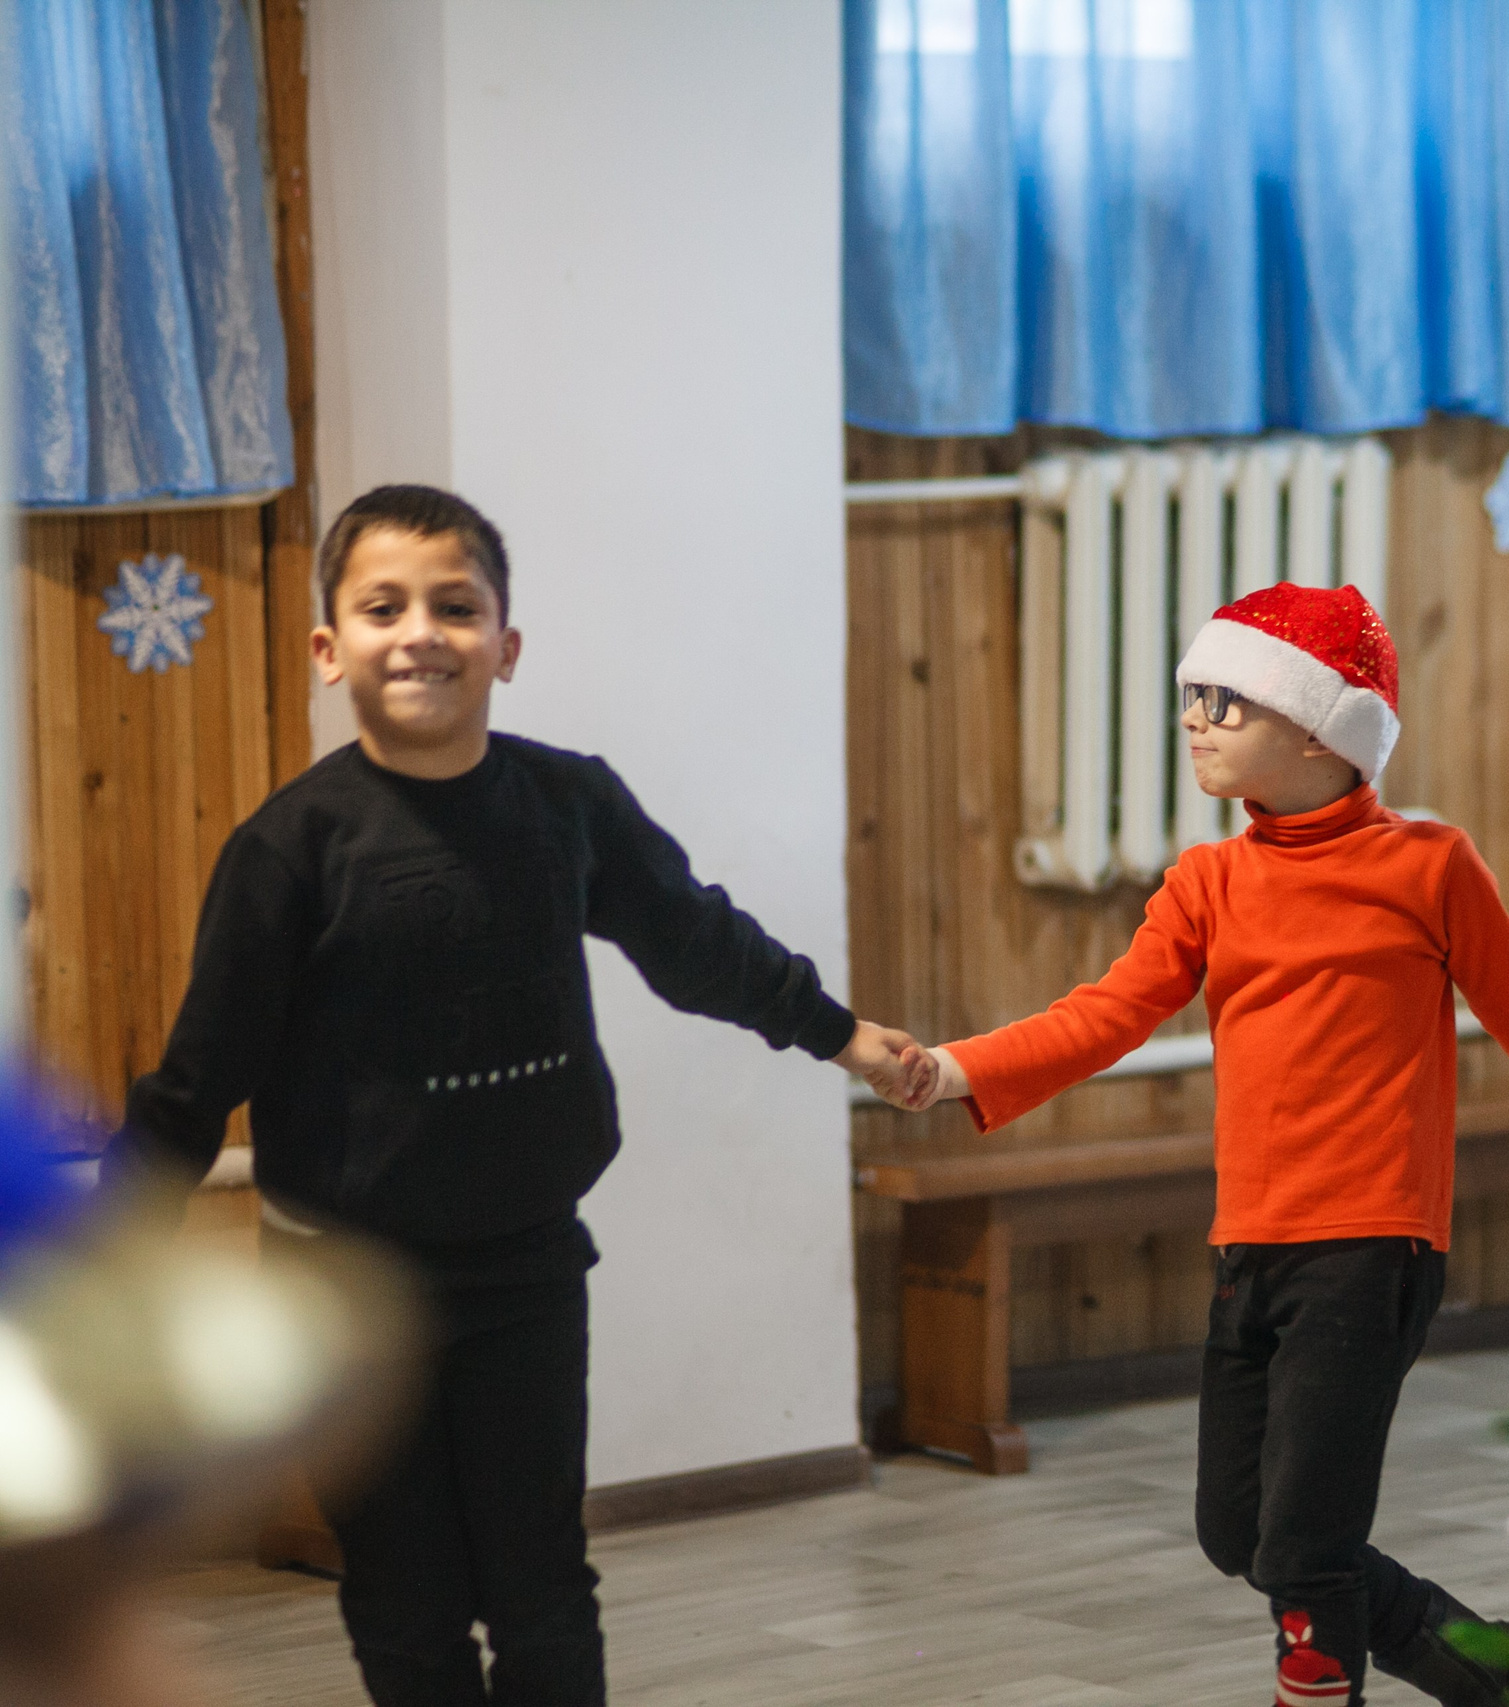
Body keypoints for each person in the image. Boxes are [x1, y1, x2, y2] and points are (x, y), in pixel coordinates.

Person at [99, 485, 921, 1707]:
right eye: (383, 607)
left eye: (456, 605)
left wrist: (840, 1035)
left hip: (528, 1274)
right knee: (405, 1601)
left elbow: (696, 943)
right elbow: (194, 1081)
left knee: (543, 1588)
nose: (421, 631)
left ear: (506, 644)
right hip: (344, 1297)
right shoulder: (289, 852)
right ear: (330, 650)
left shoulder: (567, 804)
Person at [885, 582, 1509, 1707]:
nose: (1195, 720)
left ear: (1321, 726)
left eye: (1226, 701)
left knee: (1309, 1551)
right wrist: (956, 1069)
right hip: (1249, 1251)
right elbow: (1102, 1015)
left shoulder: (1429, 865)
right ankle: (1501, 1670)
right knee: (1244, 1537)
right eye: (1192, 697)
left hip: (1371, 1253)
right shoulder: (1207, 883)